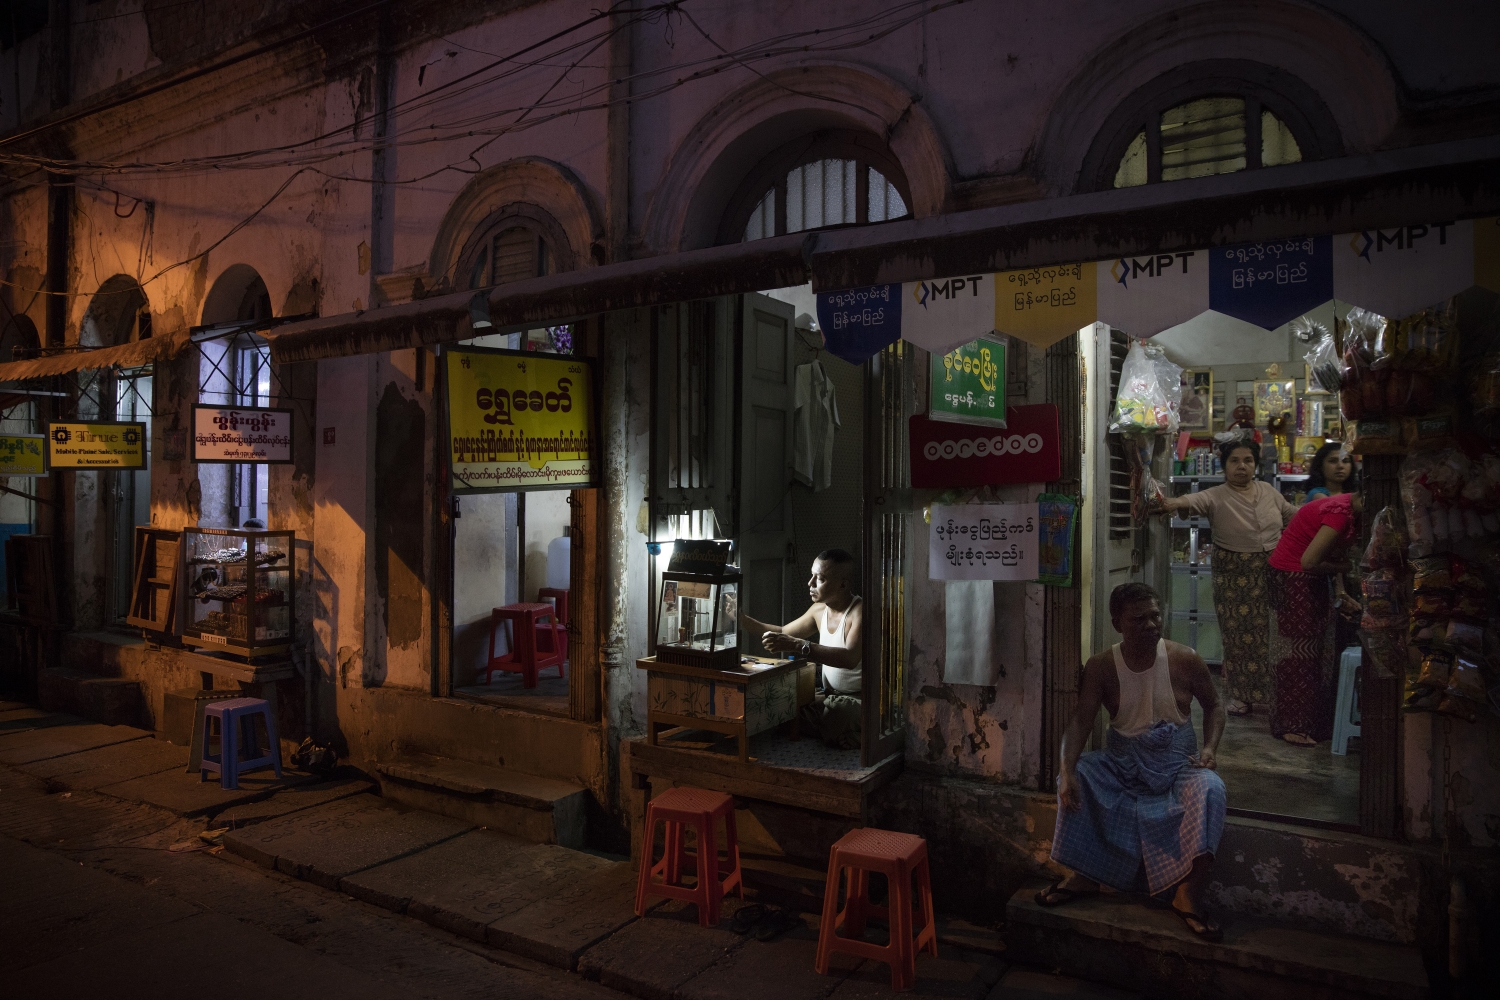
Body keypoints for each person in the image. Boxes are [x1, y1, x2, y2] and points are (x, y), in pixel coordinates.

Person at [1040, 583, 1227, 941]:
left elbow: (1215, 705)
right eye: (1138, 619)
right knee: (1079, 772)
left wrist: (1210, 749)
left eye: (1155, 615)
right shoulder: (1100, 666)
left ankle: (1187, 895)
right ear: (1117, 623)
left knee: (1212, 790)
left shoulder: (1185, 658)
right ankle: (1084, 877)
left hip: (1177, 768)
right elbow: (1080, 721)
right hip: (1123, 765)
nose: (1151, 624)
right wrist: (1066, 772)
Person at [1158, 438, 1295, 716]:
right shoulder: (1216, 495)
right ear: (1224, 466)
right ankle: (1241, 697)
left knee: (1272, 633)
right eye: (1235, 461)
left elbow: (1292, 515)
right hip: (1233, 575)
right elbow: (1189, 500)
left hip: (1271, 570)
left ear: (1255, 464)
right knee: (1237, 635)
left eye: (1248, 460)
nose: (1242, 466)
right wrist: (1167, 502)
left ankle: (1274, 697)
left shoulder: (1268, 490)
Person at [740, 548, 863, 750]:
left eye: (820, 579)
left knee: (837, 714)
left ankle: (862, 732)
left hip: (858, 700)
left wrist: (799, 645)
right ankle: (841, 734)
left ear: (843, 584)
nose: (810, 583)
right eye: (811, 575)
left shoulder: (859, 612)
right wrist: (741, 619)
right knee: (782, 710)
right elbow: (783, 631)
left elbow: (849, 659)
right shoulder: (819, 610)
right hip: (828, 696)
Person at [1266, 490, 1363, 746]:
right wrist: (1344, 568)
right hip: (1294, 578)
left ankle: (1308, 723)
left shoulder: (1349, 510)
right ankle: (1293, 725)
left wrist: (1340, 592)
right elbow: (1310, 561)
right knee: (1300, 653)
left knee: (1317, 652)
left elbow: (1332, 554)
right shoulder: (1339, 514)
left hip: (1308, 578)